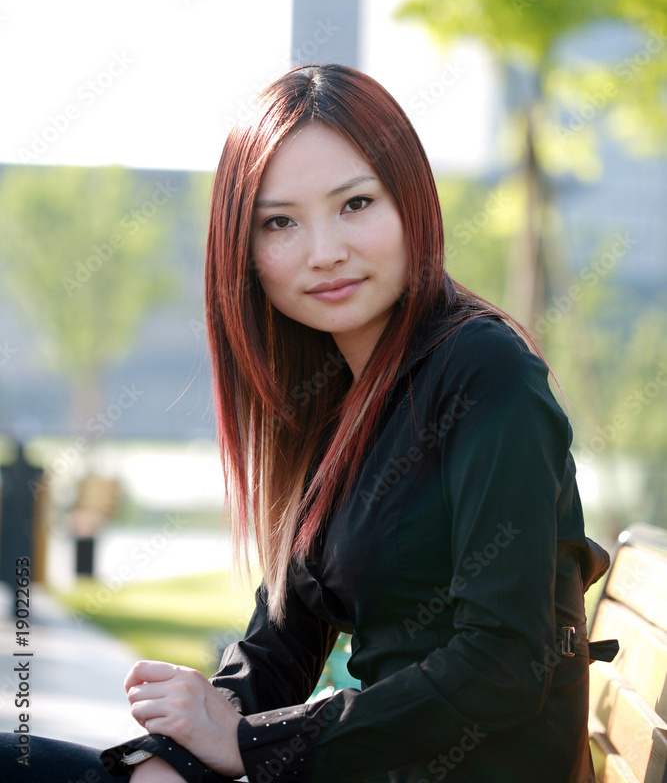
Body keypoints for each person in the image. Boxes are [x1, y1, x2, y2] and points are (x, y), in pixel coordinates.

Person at [0, 62, 615, 783]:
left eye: (355, 204)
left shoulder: (484, 372)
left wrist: (254, 745)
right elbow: (282, 640)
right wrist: (176, 750)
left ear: (410, 200)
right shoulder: (339, 398)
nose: (324, 252)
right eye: (279, 222)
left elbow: (502, 665)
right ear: (246, 252)